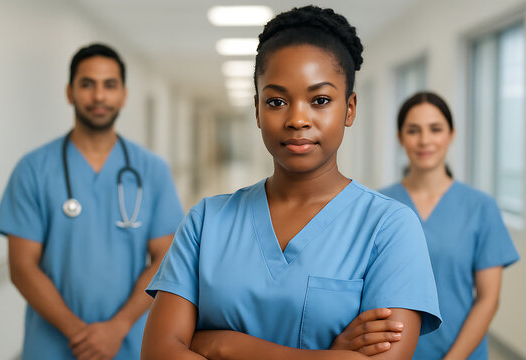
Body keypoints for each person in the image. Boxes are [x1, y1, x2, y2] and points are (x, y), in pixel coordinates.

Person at [141, 6, 441, 360]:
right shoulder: (206, 221)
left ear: (350, 108)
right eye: (277, 101)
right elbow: (159, 352)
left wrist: (223, 346)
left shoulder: (390, 227)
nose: (298, 119)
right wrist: (328, 356)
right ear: (257, 110)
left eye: (320, 100)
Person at [0, 43, 184, 359]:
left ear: (123, 94)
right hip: (53, 346)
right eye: (87, 84)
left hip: (129, 342)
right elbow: (22, 266)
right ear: (69, 92)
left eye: (109, 85)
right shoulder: (34, 168)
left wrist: (116, 328)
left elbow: (165, 259)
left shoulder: (151, 170)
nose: (98, 97)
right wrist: (80, 334)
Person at [379, 91, 520, 360]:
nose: (424, 140)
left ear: (451, 135)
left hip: (461, 352)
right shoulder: (380, 205)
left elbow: (488, 299)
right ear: (400, 137)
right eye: (413, 130)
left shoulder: (480, 207)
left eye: (435, 129)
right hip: (393, 352)